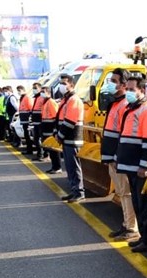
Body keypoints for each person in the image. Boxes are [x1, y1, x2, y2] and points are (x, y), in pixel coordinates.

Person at [116, 75, 147, 253]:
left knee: (145, 206)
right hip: (131, 166)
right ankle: (144, 237)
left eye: (131, 90)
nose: (127, 92)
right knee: (138, 204)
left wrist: (144, 166)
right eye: (126, 89)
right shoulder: (133, 108)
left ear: (142, 90)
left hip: (141, 168)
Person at [101, 68, 139, 241]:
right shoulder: (115, 103)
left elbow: (124, 133)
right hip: (112, 155)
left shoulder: (124, 105)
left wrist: (118, 156)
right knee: (121, 192)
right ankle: (126, 224)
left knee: (126, 192)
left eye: (114, 81)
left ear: (124, 85)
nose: (110, 83)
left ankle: (131, 228)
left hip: (118, 157)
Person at [55, 74, 86, 202]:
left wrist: (60, 136)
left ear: (71, 85)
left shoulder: (74, 100)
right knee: (69, 166)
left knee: (74, 166)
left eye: (64, 83)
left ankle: (79, 192)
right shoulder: (66, 99)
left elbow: (69, 122)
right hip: (67, 139)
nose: (61, 86)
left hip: (73, 139)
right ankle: (73, 190)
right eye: (61, 83)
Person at [39, 86, 62, 174]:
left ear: (48, 93)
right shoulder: (45, 102)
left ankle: (57, 167)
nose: (42, 93)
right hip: (46, 128)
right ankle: (54, 166)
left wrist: (55, 130)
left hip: (51, 129)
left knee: (54, 149)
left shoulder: (51, 102)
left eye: (43, 91)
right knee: (50, 149)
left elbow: (55, 117)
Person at [30, 83, 47, 161]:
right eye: (33, 88)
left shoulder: (41, 97)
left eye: (35, 88)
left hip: (40, 122)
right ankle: (39, 154)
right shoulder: (36, 98)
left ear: (40, 88)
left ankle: (43, 155)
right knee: (36, 139)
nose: (34, 89)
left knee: (40, 139)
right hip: (36, 122)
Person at [17, 85, 35, 154]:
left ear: (23, 90)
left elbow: (30, 108)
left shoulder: (27, 98)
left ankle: (29, 150)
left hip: (27, 120)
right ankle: (28, 149)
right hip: (23, 119)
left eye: (19, 90)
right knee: (26, 135)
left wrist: (30, 119)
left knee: (27, 135)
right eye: (18, 91)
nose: (18, 92)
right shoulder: (22, 98)